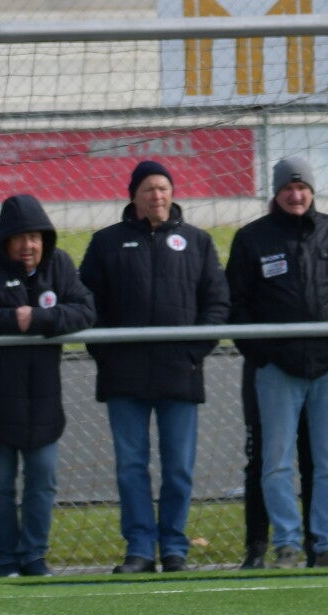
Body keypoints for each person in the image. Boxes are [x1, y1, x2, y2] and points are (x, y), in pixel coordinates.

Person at [79, 158, 230, 573]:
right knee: (131, 466)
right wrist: (106, 352)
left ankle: (175, 547)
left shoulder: (197, 242)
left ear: (172, 193)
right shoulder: (106, 243)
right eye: (148, 189)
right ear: (134, 196)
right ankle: (140, 548)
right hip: (124, 375)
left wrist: (193, 353)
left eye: (163, 188)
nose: (157, 195)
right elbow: (87, 303)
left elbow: (217, 303)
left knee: (178, 468)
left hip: (180, 373)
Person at [226, 156, 328, 568]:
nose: (296, 195)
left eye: (302, 187)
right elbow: (236, 303)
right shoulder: (251, 238)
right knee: (276, 463)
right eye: (288, 188)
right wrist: (260, 352)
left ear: (312, 191)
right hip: (277, 369)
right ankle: (287, 545)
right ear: (276, 192)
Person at [0, 195, 95, 578]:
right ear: (5, 240)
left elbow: (85, 309)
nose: (28, 245)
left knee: (43, 482)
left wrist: (39, 318)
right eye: (19, 238)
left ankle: (34, 557)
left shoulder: (59, 265)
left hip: (44, 404)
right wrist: (9, 320)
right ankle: (6, 560)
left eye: (34, 237)